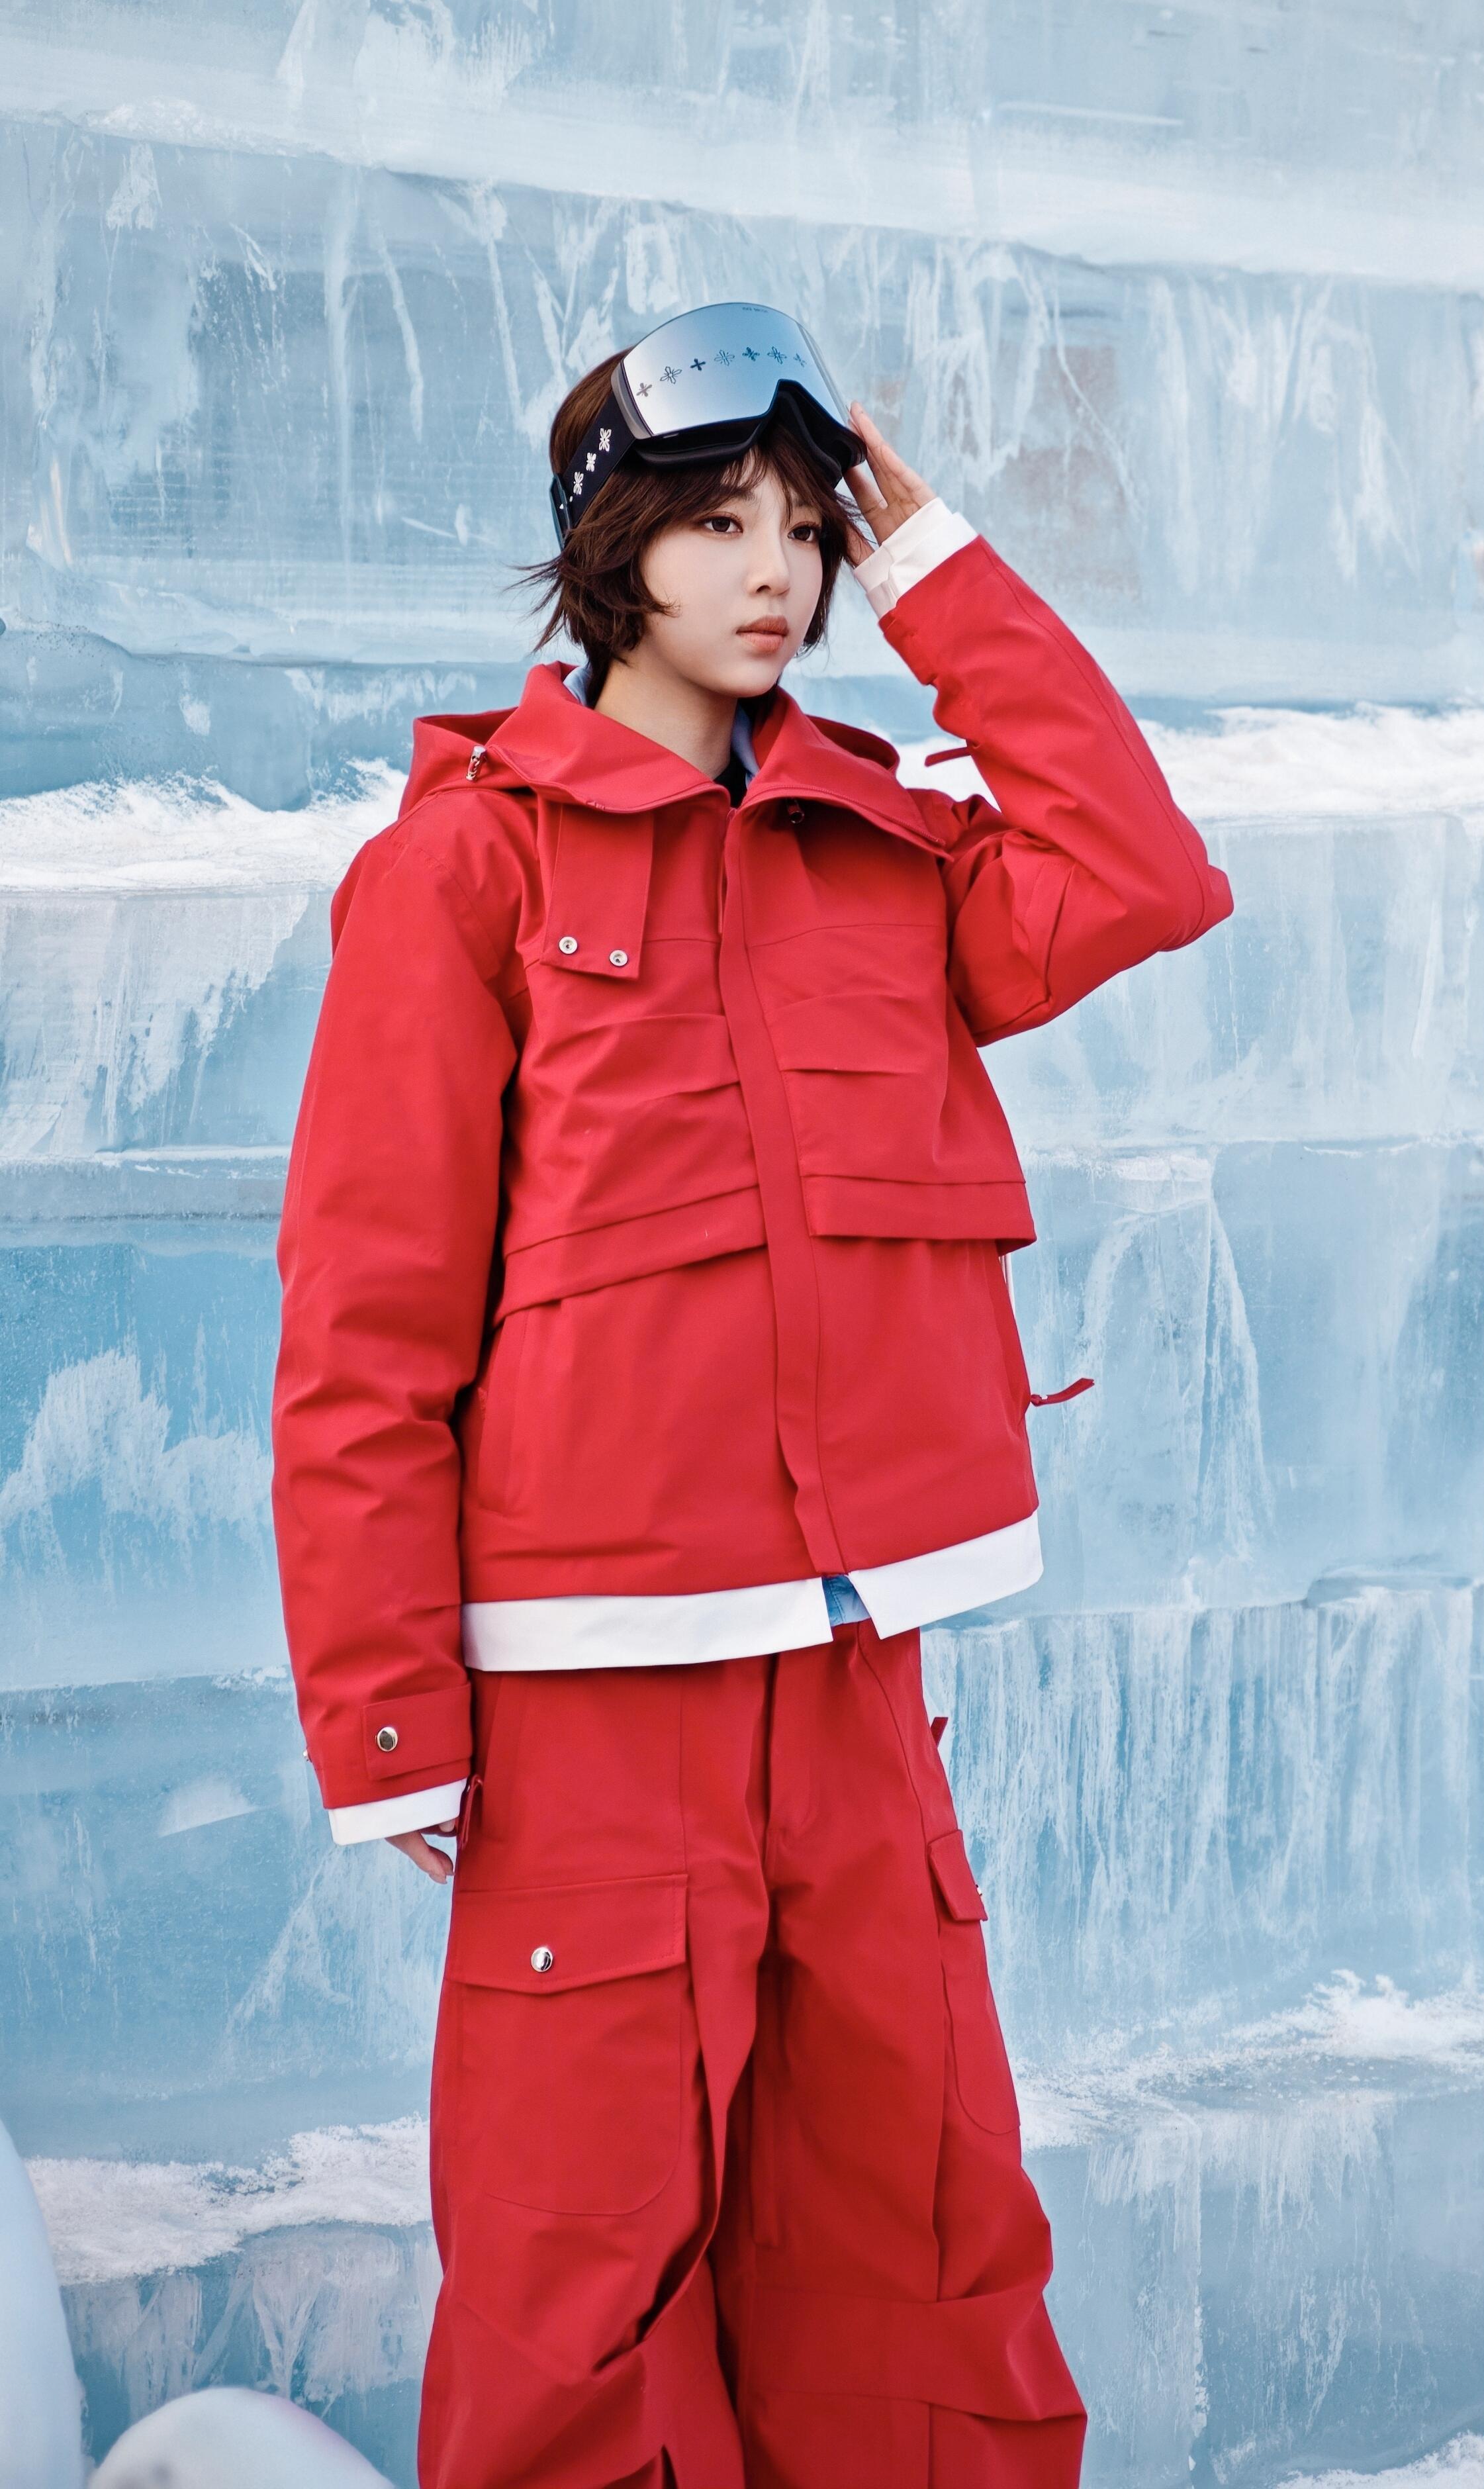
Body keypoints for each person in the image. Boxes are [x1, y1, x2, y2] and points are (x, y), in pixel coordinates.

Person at [271, 303, 1233, 2489]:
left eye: (806, 526)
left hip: (861, 1675)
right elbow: (366, 1321)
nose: (776, 572)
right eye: (719, 524)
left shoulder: (882, 850)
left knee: (921, 2246)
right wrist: (389, 1708)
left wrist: (937, 562)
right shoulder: (470, 868)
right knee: (583, 2286)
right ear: (611, 551)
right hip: (596, 1705)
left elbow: (1142, 870)